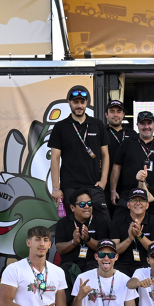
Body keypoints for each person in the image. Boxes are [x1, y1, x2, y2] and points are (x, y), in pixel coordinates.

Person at [49, 85, 108, 217]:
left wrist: (103, 181)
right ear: (69, 103)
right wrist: (56, 188)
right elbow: (55, 158)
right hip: (70, 186)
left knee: (102, 224)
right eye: (76, 102)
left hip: (94, 185)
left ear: (87, 103)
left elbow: (105, 155)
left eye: (82, 102)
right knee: (73, 226)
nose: (79, 105)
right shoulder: (60, 127)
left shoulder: (97, 124)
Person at [109, 110, 154, 215]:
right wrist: (113, 191)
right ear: (137, 125)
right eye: (142, 123)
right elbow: (116, 167)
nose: (146, 127)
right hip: (128, 197)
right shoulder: (127, 144)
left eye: (149, 123)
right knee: (121, 227)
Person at [54, 188, 107, 286]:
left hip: (93, 262)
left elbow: (103, 248)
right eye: (82, 204)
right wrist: (74, 242)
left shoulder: (101, 221)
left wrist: (88, 239)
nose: (87, 207)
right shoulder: (63, 223)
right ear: (72, 207)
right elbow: (60, 248)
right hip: (69, 263)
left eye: (89, 203)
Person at [111, 188, 154, 277]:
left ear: (147, 205)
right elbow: (114, 251)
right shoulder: (117, 221)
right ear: (128, 204)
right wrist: (130, 238)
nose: (138, 203)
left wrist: (140, 235)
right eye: (134, 200)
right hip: (123, 265)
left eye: (142, 200)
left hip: (147, 264)